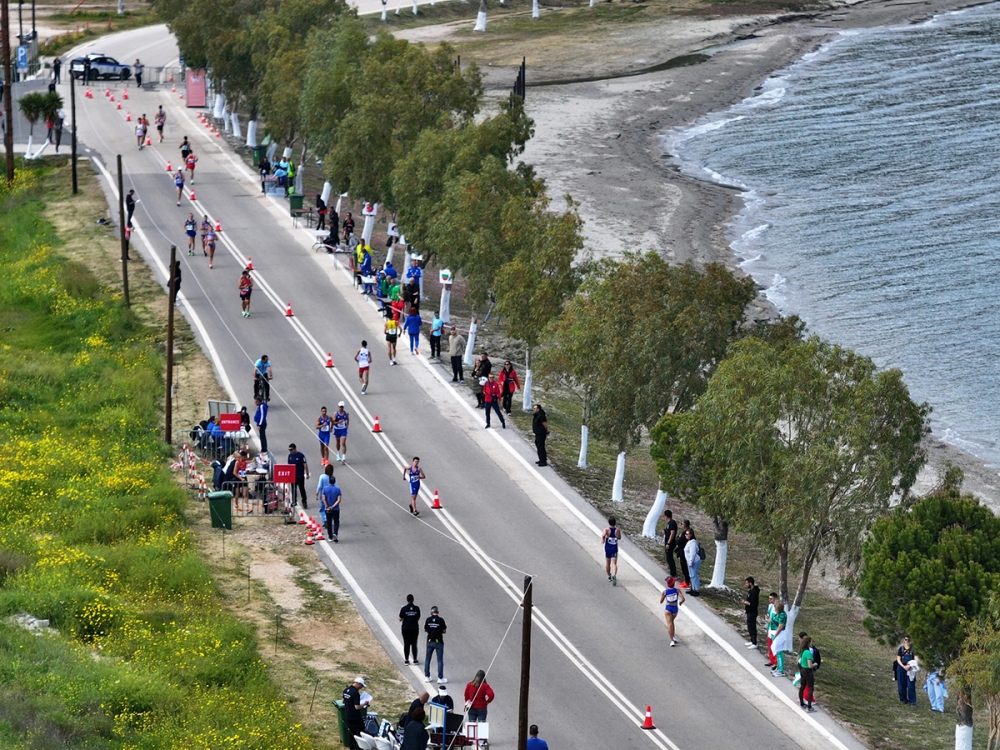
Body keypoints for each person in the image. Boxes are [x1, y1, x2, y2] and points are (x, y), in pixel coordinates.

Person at [343, 677, 370, 750]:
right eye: (361, 686)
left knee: (351, 732)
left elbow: (343, 701)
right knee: (360, 732)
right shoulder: (355, 693)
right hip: (355, 717)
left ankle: (351, 747)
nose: (361, 688)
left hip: (348, 715)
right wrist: (364, 703)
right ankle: (359, 747)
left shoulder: (346, 690)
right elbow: (357, 707)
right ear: (358, 684)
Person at [659, 576, 685, 647]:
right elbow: (683, 598)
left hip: (668, 608)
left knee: (669, 624)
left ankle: (672, 640)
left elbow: (661, 601)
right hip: (675, 609)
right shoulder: (677, 590)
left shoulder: (665, 591)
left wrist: (663, 596)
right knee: (672, 622)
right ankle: (673, 636)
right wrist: (680, 602)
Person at [797, 630, 822, 705]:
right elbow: (809, 663)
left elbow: (800, 659)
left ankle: (805, 699)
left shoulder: (805, 650)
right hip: (806, 669)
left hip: (803, 668)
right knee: (808, 685)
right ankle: (808, 701)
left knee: (804, 685)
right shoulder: (807, 650)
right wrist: (815, 664)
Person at [424, 606, 447, 684]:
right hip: (439, 642)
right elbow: (444, 630)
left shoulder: (428, 619)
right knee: (440, 660)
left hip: (430, 641)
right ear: (437, 612)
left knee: (427, 659)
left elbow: (425, 629)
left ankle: (427, 676)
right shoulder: (440, 620)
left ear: (431, 612)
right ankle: (440, 678)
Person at [895, 635, 918, 705]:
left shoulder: (914, 649)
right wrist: (903, 666)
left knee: (911, 685)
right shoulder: (901, 649)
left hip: (910, 668)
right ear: (904, 640)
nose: (907, 641)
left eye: (908, 640)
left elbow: (916, 659)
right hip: (901, 667)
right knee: (901, 684)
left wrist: (910, 666)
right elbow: (898, 659)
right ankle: (903, 699)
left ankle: (912, 701)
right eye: (906, 639)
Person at [399, 594, 421, 665]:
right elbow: (418, 618)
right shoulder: (417, 608)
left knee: (406, 644)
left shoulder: (404, 608)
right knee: (414, 644)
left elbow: (400, 619)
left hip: (406, 628)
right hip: (414, 628)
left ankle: (406, 660)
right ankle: (415, 659)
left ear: (407, 600)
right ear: (413, 600)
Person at [287, 443, 309, 508]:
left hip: (300, 475)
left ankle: (304, 501)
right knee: (293, 489)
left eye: (291, 450)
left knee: (301, 488)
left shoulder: (300, 456)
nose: (290, 451)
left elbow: (305, 464)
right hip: (293, 476)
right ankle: (294, 501)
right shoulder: (290, 456)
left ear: (295, 449)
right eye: (289, 450)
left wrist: (307, 473)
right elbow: (289, 466)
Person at [321, 475, 342, 542]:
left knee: (329, 522)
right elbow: (339, 500)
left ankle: (330, 536)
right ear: (334, 482)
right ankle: (335, 533)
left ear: (329, 481)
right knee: (336, 521)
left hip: (327, 509)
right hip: (336, 509)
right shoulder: (338, 489)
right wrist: (333, 506)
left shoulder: (325, 489)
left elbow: (323, 498)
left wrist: (327, 506)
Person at [798, 636, 817, 712]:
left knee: (802, 686)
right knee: (811, 687)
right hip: (807, 671)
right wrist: (815, 664)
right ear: (808, 643)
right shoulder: (808, 653)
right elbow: (810, 665)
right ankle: (809, 707)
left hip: (802, 670)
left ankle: (802, 703)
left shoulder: (803, 651)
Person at [770, 600, 787, 677]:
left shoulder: (782, 615)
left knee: (779, 652)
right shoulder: (778, 614)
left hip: (780, 634)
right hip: (775, 633)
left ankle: (781, 670)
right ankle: (778, 667)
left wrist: (776, 635)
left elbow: (780, 626)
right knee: (776, 651)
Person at [602, 516, 621, 586]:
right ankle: (614, 575)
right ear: (615, 523)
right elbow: (619, 537)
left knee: (607, 563)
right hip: (614, 549)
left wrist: (603, 539)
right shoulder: (617, 530)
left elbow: (603, 535)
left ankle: (609, 575)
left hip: (608, 548)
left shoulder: (606, 530)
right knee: (614, 563)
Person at [743, 576, 761, 649]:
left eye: (747, 583)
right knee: (749, 626)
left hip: (752, 612)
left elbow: (753, 604)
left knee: (752, 626)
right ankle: (751, 640)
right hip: (749, 611)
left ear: (750, 583)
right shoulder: (750, 591)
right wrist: (746, 609)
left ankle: (754, 642)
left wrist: (745, 603)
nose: (746, 585)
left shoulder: (754, 592)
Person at [663, 509, 679, 578]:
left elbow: (672, 533)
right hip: (668, 542)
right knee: (668, 558)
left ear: (666, 516)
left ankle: (673, 573)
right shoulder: (669, 523)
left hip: (670, 543)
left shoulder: (672, 523)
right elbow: (669, 532)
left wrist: (668, 543)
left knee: (669, 558)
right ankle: (672, 572)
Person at [676, 520, 692, 589]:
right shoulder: (690, 532)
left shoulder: (684, 533)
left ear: (685, 525)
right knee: (685, 567)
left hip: (683, 552)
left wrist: (678, 537)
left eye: (681, 524)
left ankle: (687, 582)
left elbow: (678, 542)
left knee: (684, 567)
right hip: (685, 551)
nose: (681, 525)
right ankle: (686, 580)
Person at [765, 592, 779, 669]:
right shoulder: (770, 606)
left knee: (774, 646)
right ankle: (771, 660)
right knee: (770, 646)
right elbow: (768, 615)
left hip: (775, 629)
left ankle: (776, 662)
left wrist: (771, 620)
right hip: (770, 628)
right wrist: (767, 617)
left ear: (775, 598)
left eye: (771, 598)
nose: (769, 600)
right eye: (769, 598)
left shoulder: (778, 607)